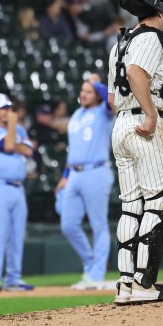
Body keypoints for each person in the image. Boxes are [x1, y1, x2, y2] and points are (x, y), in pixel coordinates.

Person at [108, 0, 163, 304]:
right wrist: (152, 115)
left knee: (131, 206)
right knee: (160, 201)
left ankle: (125, 285)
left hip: (121, 125)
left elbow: (112, 99)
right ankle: (144, 285)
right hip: (143, 120)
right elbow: (137, 72)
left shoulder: (120, 42)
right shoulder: (151, 38)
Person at [55, 76, 114, 289]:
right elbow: (74, 149)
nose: (84, 94)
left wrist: (98, 84)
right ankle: (91, 264)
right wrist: (64, 175)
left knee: (99, 225)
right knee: (68, 225)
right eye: (83, 90)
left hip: (96, 171)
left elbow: (111, 100)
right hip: (75, 174)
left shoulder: (104, 113)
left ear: (96, 94)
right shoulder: (77, 114)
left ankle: (96, 275)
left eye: (89, 91)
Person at [0, 93, 35, 292]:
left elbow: (28, 151)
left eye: (8, 108)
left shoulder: (19, 129)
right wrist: (13, 135)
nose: (7, 111)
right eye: (2, 108)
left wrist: (14, 142)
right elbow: (11, 145)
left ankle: (13, 278)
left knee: (17, 235)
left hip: (17, 187)